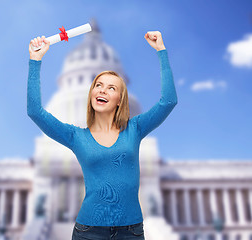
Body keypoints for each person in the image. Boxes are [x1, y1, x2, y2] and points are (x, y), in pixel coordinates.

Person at [27, 31, 177, 240]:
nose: (102, 91)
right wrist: (35, 61)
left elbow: (168, 102)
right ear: (90, 96)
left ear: (120, 100)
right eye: (97, 85)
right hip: (89, 231)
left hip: (130, 230)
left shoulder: (135, 129)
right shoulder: (76, 136)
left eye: (111, 87)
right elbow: (35, 111)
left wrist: (161, 51)